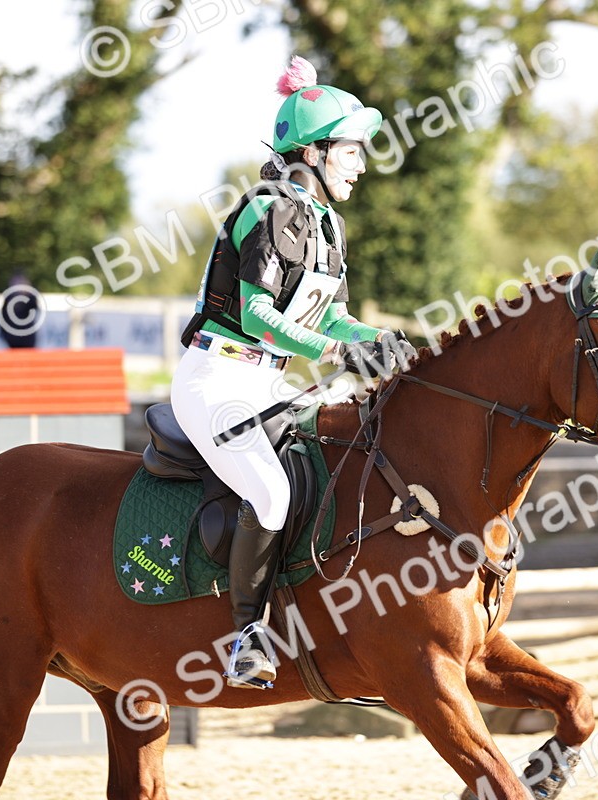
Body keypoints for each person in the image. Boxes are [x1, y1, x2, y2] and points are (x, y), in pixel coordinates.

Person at [172, 56, 415, 689]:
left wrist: (373, 336)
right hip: (218, 379)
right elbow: (256, 316)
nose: (362, 164)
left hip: (267, 381)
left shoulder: (325, 225)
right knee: (272, 494)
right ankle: (246, 636)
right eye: (352, 151)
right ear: (312, 152)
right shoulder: (267, 209)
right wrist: (335, 353)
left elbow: (326, 316)